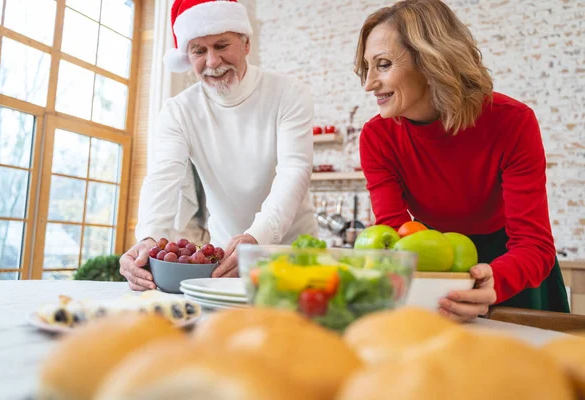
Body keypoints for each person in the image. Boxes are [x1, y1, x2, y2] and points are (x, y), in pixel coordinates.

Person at [355, 0, 569, 321]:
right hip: (432, 265)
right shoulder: (377, 137)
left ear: (430, 61)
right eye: (366, 67)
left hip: (511, 271)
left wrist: (496, 281)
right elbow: (395, 232)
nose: (369, 83)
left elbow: (534, 243)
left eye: (383, 65)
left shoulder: (512, 121)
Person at [120, 0, 317, 291]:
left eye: (222, 45)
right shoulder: (178, 110)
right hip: (225, 259)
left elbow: (294, 171)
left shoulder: (288, 93)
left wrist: (257, 237)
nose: (212, 62)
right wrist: (148, 238)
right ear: (188, 56)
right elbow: (163, 177)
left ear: (245, 44)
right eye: (199, 50)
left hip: (292, 251)